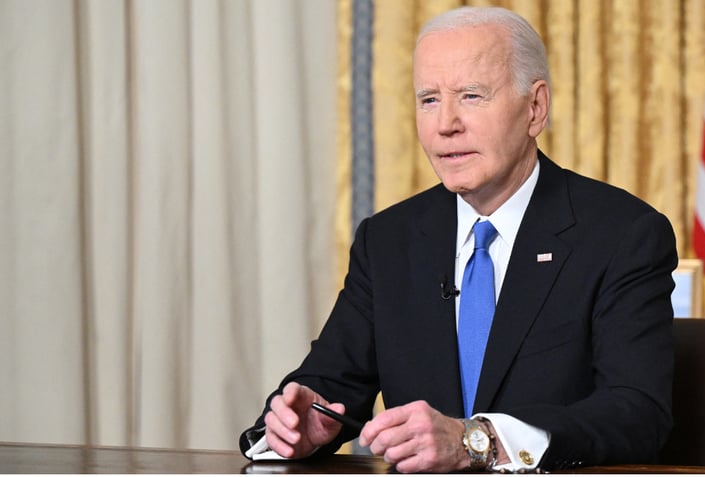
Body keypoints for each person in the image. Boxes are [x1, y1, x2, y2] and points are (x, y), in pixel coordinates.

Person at [239, 6, 677, 473]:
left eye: (471, 96)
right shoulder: (388, 241)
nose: (446, 124)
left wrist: (477, 441)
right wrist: (299, 425)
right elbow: (329, 383)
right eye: (429, 99)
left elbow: (637, 415)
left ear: (535, 108)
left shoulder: (622, 235)